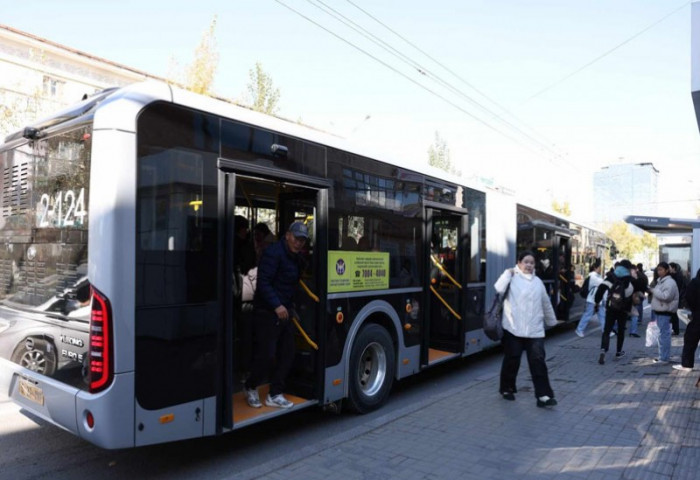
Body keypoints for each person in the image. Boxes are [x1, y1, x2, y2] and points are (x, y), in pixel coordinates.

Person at [244, 221, 309, 409]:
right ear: (288, 235)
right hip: (267, 312)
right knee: (266, 355)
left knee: (287, 353)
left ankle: (275, 393)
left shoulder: (296, 257)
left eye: (303, 241)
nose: (299, 243)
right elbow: (263, 283)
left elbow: (292, 284)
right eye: (297, 239)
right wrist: (277, 305)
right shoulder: (273, 253)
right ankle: (251, 386)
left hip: (285, 312)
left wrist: (290, 308)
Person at [494, 250, 559, 408]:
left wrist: (552, 322)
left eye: (531, 262)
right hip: (513, 328)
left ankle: (543, 395)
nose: (529, 265)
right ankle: (507, 389)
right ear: (519, 263)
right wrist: (507, 273)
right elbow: (498, 288)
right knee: (512, 360)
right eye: (526, 262)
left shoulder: (538, 282)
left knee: (538, 362)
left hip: (534, 330)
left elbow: (546, 303)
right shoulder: (512, 278)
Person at [594, 259, 635, 364]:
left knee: (607, 329)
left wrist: (597, 302)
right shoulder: (630, 279)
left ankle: (603, 350)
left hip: (611, 307)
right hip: (624, 309)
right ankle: (618, 352)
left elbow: (600, 289)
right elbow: (639, 287)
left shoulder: (611, 277)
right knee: (621, 330)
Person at [647, 262, 679, 364]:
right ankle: (663, 356)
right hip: (660, 311)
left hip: (665, 311)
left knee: (664, 335)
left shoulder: (669, 282)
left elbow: (666, 296)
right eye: (658, 269)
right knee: (663, 335)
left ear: (666, 270)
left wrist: (653, 291)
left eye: (661, 269)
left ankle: (664, 358)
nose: (659, 271)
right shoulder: (661, 281)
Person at [673, 268, 700, 372]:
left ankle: (687, 365)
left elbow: (688, 297)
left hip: (697, 316)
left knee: (690, 340)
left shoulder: (695, 283)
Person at [575, 260, 605, 337]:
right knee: (588, 314)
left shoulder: (595, 276)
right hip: (592, 299)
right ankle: (579, 329)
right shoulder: (593, 277)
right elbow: (603, 283)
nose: (600, 269)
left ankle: (606, 330)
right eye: (599, 268)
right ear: (595, 268)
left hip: (596, 299)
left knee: (602, 315)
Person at [669, 262, 686, 335]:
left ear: (673, 268)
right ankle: (674, 329)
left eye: (669, 267)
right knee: (673, 314)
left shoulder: (677, 276)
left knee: (673, 314)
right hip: (675, 297)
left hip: (675, 298)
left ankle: (675, 330)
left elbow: (677, 288)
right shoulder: (677, 275)